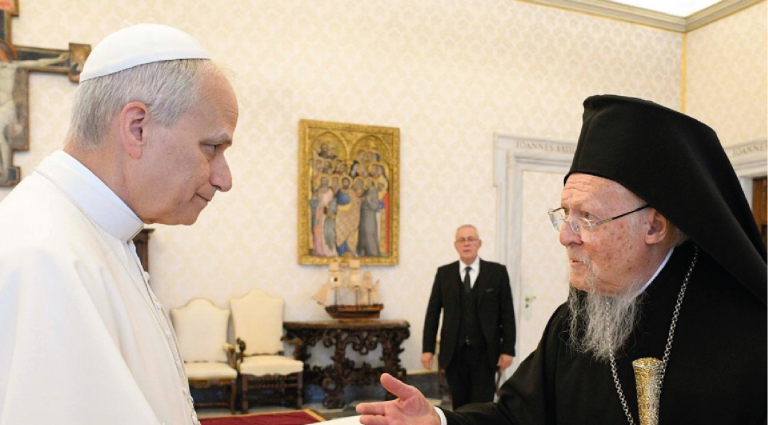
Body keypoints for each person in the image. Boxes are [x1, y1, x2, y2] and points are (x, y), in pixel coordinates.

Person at [356, 95, 768, 424]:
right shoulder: (573, 323)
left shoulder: (748, 333)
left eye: (587, 217)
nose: (565, 236)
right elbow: (514, 417)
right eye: (565, 213)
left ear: (654, 226)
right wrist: (440, 421)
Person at [0, 23, 238, 425]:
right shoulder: (47, 259)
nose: (224, 179)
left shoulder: (97, 232)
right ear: (136, 127)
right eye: (212, 147)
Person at [422, 224, 516, 410]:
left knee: (483, 406)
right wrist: (427, 349)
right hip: (454, 353)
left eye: (471, 239)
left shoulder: (497, 272)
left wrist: (508, 350)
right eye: (462, 240)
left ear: (479, 243)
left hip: (486, 353)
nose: (466, 244)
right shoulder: (444, 273)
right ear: (455, 245)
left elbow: (507, 313)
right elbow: (433, 313)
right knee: (459, 406)